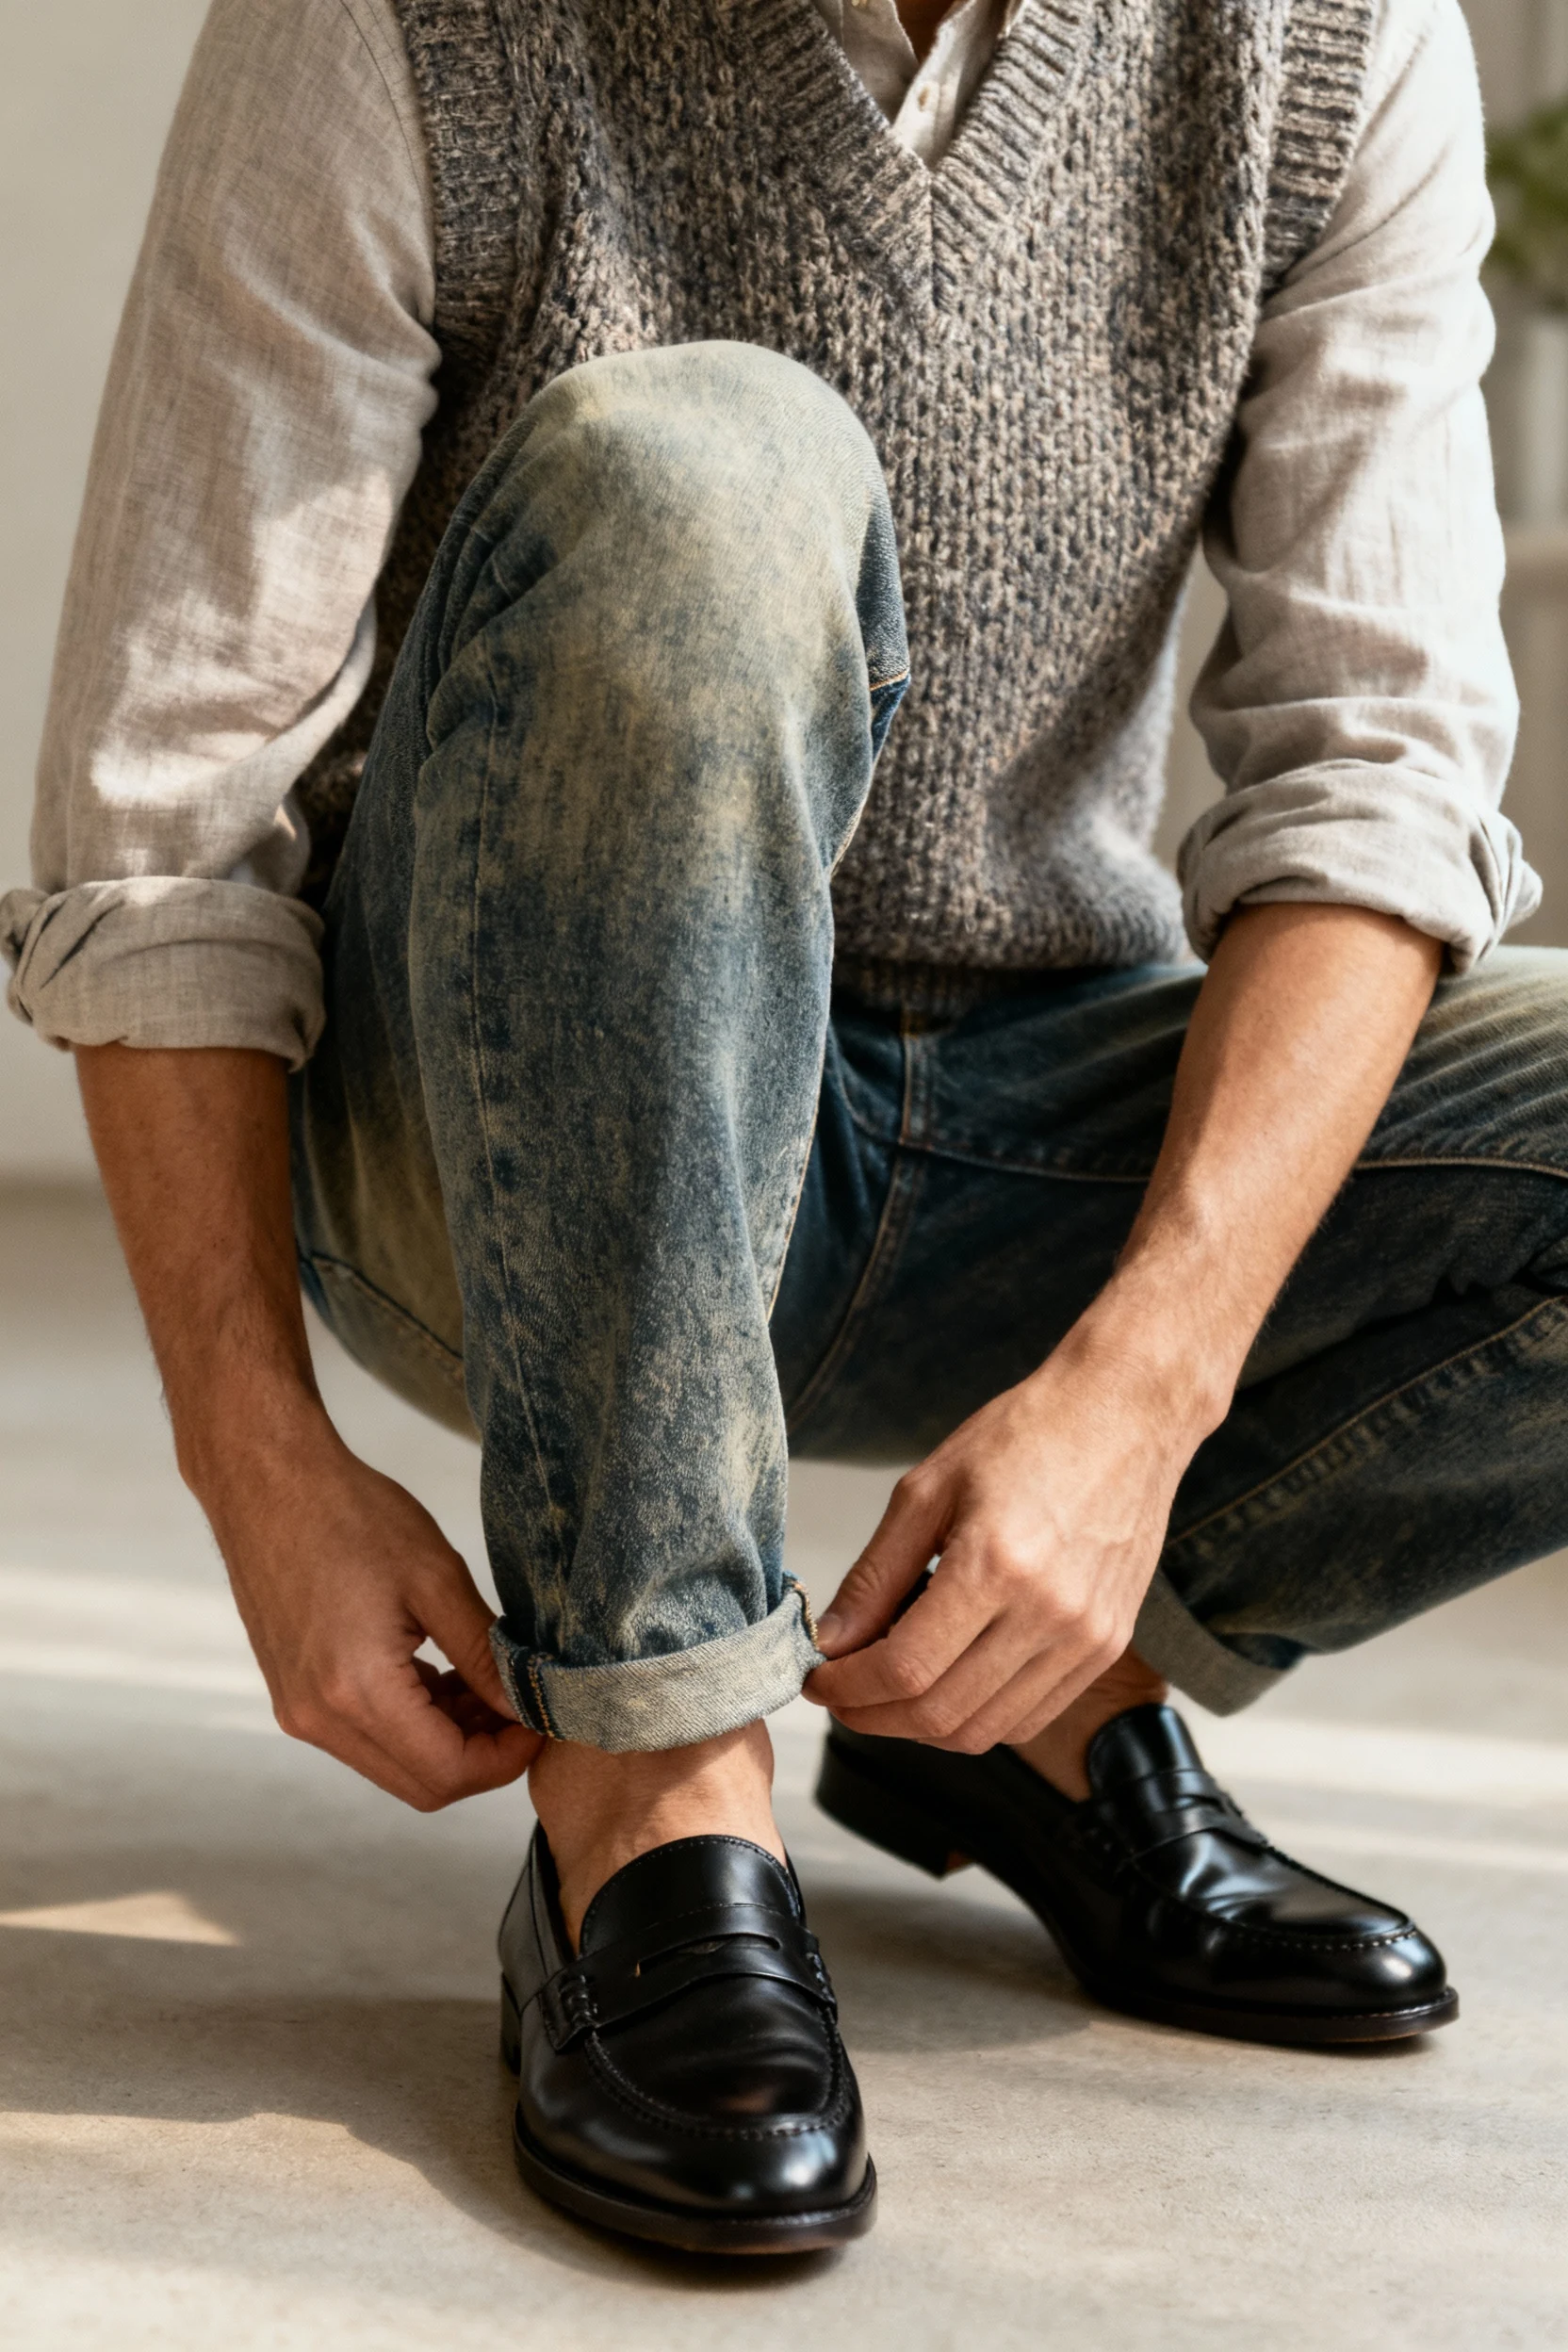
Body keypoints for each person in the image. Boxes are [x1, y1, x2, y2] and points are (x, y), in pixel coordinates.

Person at [4, 0, 1561, 2258]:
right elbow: (170, 795)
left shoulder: (1323, 38)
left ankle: (1017, 1705)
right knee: (709, 466)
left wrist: (1139, 1398)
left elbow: (1373, 773)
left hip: (1020, 1117)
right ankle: (653, 1773)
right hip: (491, 1120)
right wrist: (253, 1449)